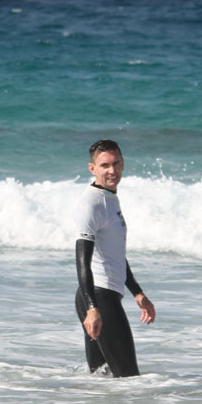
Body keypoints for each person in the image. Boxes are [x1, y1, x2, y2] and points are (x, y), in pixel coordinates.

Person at [74, 140, 156, 377]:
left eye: (116, 163)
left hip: (99, 296)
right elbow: (82, 260)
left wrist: (137, 293)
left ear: (123, 163)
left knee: (102, 378)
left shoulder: (109, 198)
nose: (112, 170)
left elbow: (115, 253)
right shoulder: (91, 204)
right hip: (99, 298)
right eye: (105, 165)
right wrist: (92, 308)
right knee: (128, 377)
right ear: (92, 169)